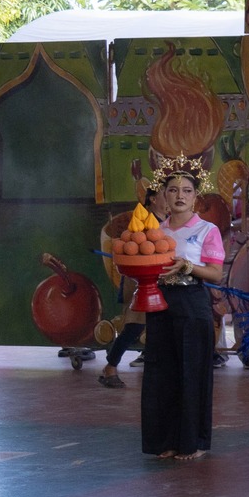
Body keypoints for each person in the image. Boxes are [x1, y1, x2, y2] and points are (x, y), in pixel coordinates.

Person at [140, 161, 226, 460]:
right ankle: (165, 440)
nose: (180, 195)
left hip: (192, 302)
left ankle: (194, 442)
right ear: (163, 194)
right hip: (161, 303)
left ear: (195, 197)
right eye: (173, 190)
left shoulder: (206, 229)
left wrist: (188, 266)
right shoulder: (155, 231)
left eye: (187, 191)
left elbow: (216, 274)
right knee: (162, 372)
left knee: (193, 372)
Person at [98, 182, 166, 390]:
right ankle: (110, 367)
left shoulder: (173, 222)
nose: (174, 197)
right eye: (168, 192)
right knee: (134, 328)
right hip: (143, 284)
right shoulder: (142, 223)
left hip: (168, 284)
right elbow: (132, 252)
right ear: (153, 199)